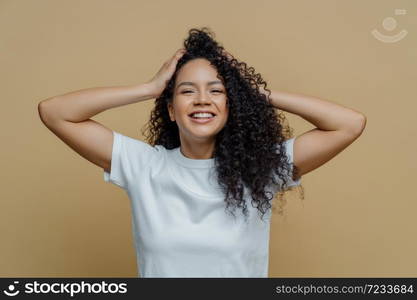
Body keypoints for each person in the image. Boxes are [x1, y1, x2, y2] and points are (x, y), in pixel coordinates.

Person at [37, 27, 366, 277]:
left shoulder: (260, 170)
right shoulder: (143, 165)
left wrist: (253, 92)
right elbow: (55, 112)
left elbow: (348, 124)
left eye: (217, 91)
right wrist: (149, 88)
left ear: (230, 106)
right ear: (170, 110)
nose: (202, 99)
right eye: (187, 91)